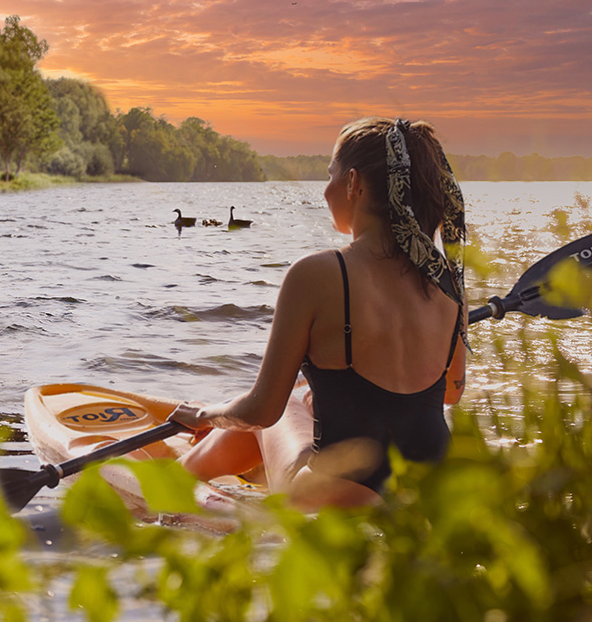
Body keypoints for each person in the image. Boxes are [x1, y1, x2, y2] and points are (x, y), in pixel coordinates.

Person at [168, 117, 468, 510]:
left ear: (354, 183)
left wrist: (207, 414)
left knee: (286, 404)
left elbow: (261, 410)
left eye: (331, 174)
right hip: (429, 490)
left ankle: (172, 481)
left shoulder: (316, 273)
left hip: (340, 493)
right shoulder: (446, 279)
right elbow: (451, 391)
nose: (326, 190)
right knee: (305, 395)